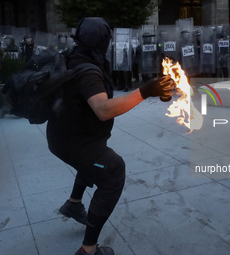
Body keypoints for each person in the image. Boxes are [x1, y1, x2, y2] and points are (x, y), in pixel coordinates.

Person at [46, 17, 174, 255]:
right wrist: (145, 91)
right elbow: (103, 110)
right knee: (113, 169)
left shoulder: (73, 56)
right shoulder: (88, 71)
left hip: (65, 135)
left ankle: (74, 204)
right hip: (73, 143)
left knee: (95, 159)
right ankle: (88, 250)